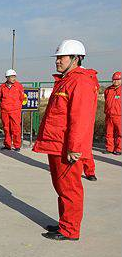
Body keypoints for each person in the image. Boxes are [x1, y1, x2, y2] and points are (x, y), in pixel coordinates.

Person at [33, 39, 98, 241]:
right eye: (58, 58)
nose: (57, 61)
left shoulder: (81, 82)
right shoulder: (66, 80)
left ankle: (70, 230)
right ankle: (65, 223)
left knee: (70, 188)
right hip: (56, 144)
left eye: (61, 57)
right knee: (61, 188)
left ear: (76, 59)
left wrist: (75, 148)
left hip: (67, 147)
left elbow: (81, 118)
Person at [0, 69, 24, 150]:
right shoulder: (2, 87)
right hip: (5, 111)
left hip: (15, 111)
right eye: (12, 77)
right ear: (7, 77)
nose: (14, 78)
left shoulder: (19, 86)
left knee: (16, 128)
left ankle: (17, 145)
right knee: (6, 128)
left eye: (14, 76)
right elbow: (1, 98)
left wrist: (16, 106)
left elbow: (21, 98)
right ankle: (7, 145)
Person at [104, 71, 121, 155]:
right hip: (109, 115)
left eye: (118, 79)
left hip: (119, 116)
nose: (115, 81)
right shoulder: (108, 90)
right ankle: (109, 148)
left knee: (120, 133)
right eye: (114, 79)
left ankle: (118, 149)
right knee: (108, 133)